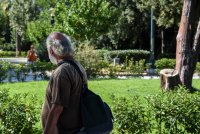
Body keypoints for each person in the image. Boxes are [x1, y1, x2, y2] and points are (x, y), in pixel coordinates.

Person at [41, 32, 87, 134]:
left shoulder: (62, 71)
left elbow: (57, 108)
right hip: (76, 129)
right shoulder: (77, 65)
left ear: (51, 50)